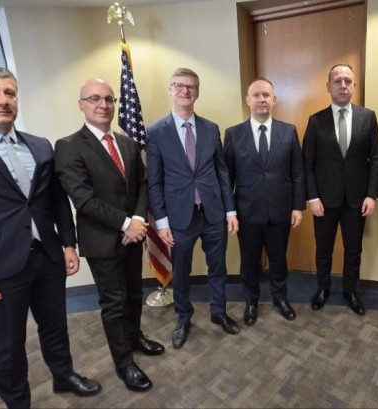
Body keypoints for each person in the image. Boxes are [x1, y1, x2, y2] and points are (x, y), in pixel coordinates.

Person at [0, 67, 101, 408]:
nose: (3, 100)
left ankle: (63, 375)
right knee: (9, 343)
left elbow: (56, 199)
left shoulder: (39, 145)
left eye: (10, 93)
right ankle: (18, 402)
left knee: (55, 326)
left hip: (47, 257)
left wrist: (68, 243)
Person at [54, 79, 164, 392]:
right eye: (94, 99)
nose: (103, 105)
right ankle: (124, 363)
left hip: (133, 235)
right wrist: (126, 223)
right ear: (81, 105)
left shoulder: (127, 143)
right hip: (102, 241)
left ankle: (135, 337)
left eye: (108, 99)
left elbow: (142, 184)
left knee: (134, 293)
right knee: (114, 303)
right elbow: (83, 200)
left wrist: (138, 219)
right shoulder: (68, 146)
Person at [146, 68, 240, 348]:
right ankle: (183, 317)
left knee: (218, 267)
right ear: (170, 89)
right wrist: (162, 222)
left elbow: (222, 172)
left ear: (197, 93)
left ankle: (218, 312)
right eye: (179, 85)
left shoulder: (211, 128)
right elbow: (155, 181)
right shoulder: (156, 132)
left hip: (213, 213)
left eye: (191, 87)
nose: (185, 91)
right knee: (181, 272)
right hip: (179, 217)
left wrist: (231, 211)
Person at [223, 78, 305, 326]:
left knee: (279, 259)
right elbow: (227, 178)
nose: (261, 100)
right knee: (249, 262)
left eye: (266, 95)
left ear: (274, 100)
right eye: (256, 95)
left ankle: (280, 298)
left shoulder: (288, 131)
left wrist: (297, 206)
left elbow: (298, 173)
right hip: (247, 213)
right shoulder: (233, 134)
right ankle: (251, 302)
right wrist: (230, 211)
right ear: (248, 100)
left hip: (281, 211)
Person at [302, 63, 378, 315]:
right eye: (337, 81)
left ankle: (351, 291)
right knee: (324, 249)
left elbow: (376, 159)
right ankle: (323, 287)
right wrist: (312, 197)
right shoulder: (316, 121)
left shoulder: (368, 117)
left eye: (348, 81)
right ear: (329, 86)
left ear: (354, 85)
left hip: (357, 199)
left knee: (354, 249)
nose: (343, 85)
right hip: (324, 200)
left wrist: (372, 194)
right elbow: (307, 162)